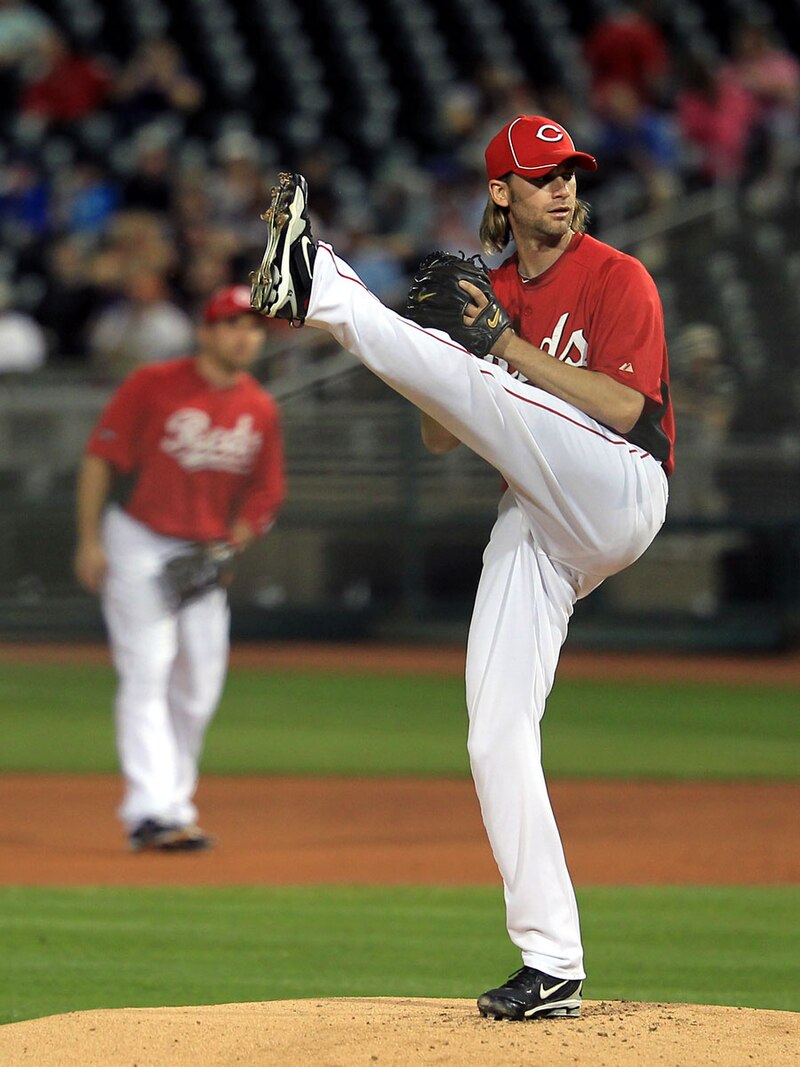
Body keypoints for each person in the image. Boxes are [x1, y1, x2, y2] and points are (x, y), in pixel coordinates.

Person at [250, 115, 673, 1020]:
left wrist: (498, 352)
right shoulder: (499, 288)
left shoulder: (616, 275)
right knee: (493, 732)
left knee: (488, 375)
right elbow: (446, 432)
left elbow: (629, 409)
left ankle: (317, 280)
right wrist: (447, 347)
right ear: (501, 193)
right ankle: (553, 961)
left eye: (570, 172)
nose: (562, 186)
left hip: (622, 487)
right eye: (542, 174)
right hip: (542, 517)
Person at [73, 284, 285, 852]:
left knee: (198, 687)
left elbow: (266, 493)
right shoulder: (153, 385)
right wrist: (90, 541)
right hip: (139, 541)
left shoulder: (259, 407)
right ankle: (151, 811)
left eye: (253, 327)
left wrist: (232, 545)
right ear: (206, 332)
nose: (245, 336)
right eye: (232, 325)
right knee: (148, 669)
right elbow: (102, 457)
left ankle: (174, 804)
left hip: (203, 554)